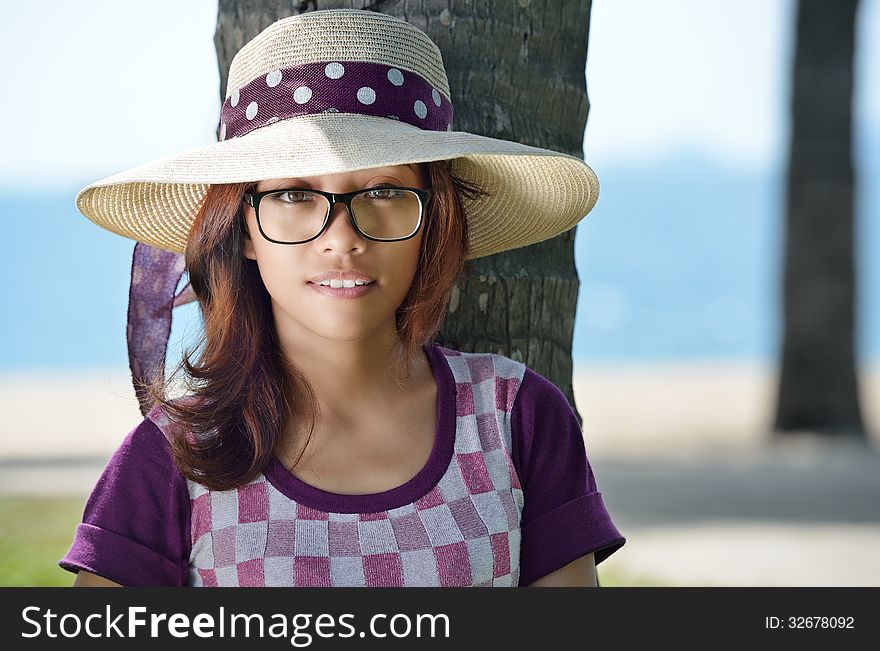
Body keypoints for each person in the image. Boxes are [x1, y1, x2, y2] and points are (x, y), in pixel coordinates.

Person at [59, 8, 625, 587]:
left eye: (383, 190)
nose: (342, 238)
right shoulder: (176, 456)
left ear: (436, 218)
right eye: (294, 194)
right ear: (244, 229)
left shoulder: (517, 418)